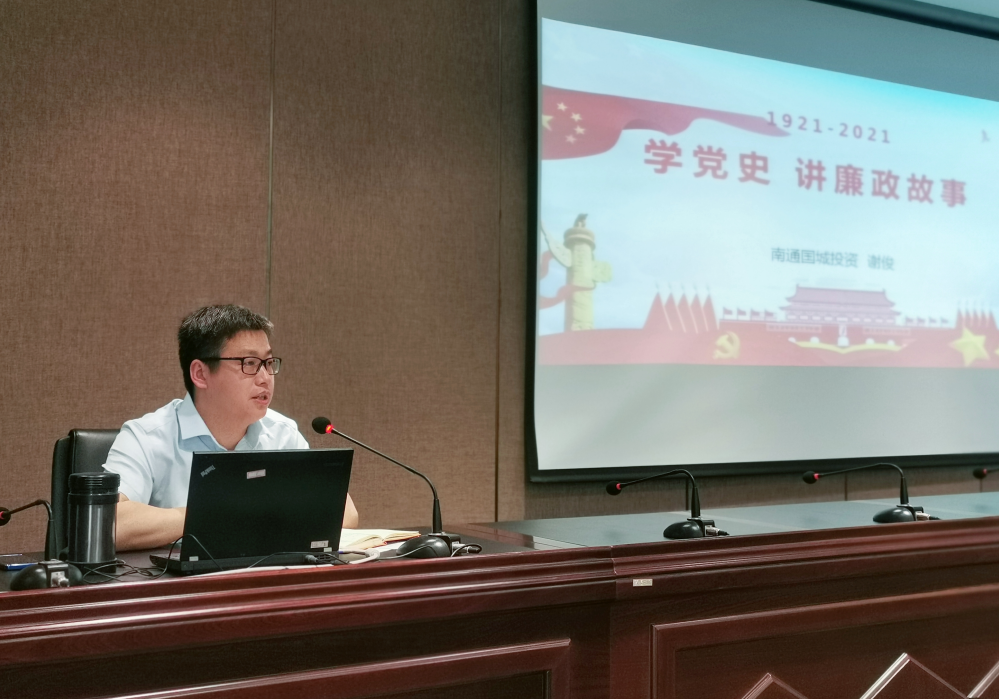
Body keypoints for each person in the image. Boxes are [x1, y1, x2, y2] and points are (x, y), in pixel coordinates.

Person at [104, 304, 358, 550]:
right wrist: (218, 515)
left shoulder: (282, 434)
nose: (265, 378)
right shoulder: (147, 437)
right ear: (200, 374)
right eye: (249, 363)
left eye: (269, 363)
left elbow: (345, 513)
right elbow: (109, 523)